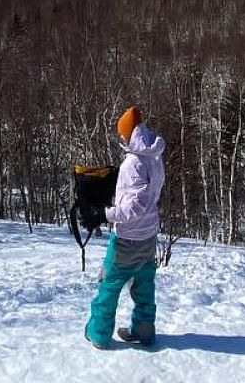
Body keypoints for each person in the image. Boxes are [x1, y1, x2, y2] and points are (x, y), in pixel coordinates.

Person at [83, 106, 166, 349]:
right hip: (149, 237)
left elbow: (134, 208)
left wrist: (103, 214)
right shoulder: (154, 156)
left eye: (122, 133)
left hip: (127, 240)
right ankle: (144, 331)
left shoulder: (133, 163)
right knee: (144, 286)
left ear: (129, 134)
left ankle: (98, 334)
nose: (120, 137)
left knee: (109, 285)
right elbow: (147, 197)